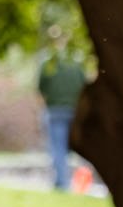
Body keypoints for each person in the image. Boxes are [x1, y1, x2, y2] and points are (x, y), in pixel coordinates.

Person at [36, 49, 86, 191]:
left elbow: (41, 89)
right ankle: (79, 182)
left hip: (55, 111)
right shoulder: (78, 65)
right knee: (75, 148)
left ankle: (63, 183)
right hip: (75, 111)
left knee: (58, 148)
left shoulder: (48, 64)